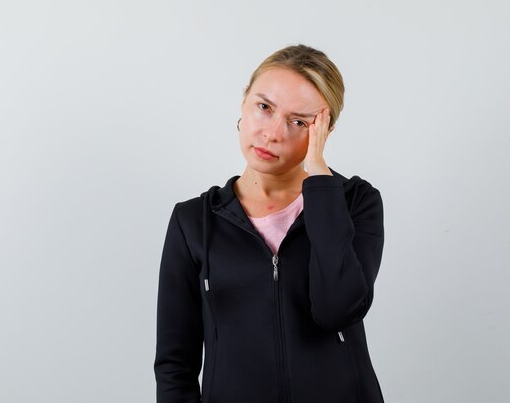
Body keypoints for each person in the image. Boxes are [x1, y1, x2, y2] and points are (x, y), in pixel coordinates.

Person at [154, 44, 385, 403]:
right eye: (264, 107)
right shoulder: (193, 221)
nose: (273, 133)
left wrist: (320, 181)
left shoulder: (354, 202)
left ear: (324, 131)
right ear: (244, 103)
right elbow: (174, 363)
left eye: (298, 122)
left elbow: (337, 310)